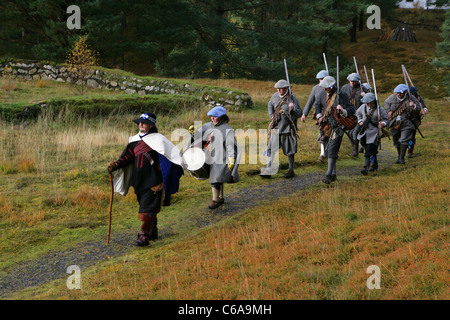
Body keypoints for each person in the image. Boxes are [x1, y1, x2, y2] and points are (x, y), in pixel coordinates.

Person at [107, 112, 184, 246]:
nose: (140, 125)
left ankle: (144, 236)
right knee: (148, 207)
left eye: (144, 123)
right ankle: (152, 230)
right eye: (139, 123)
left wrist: (163, 171)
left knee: (146, 210)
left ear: (151, 125)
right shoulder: (134, 140)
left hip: (154, 180)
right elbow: (129, 157)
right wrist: (117, 165)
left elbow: (172, 157)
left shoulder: (159, 140)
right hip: (139, 180)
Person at [191, 105, 240, 209]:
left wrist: (231, 158)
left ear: (221, 117)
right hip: (208, 156)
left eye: (215, 116)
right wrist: (193, 134)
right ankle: (221, 197)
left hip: (221, 158)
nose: (213, 118)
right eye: (211, 116)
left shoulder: (227, 129)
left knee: (215, 178)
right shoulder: (206, 126)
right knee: (218, 178)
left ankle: (215, 200)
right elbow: (199, 138)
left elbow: (231, 145)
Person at [316, 76, 356, 184]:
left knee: (332, 149)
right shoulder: (321, 94)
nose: (325, 89)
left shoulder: (341, 95)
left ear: (332, 86)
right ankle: (333, 174)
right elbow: (317, 107)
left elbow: (351, 109)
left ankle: (328, 174)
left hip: (338, 126)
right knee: (328, 148)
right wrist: (319, 116)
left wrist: (342, 110)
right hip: (325, 126)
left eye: (327, 87)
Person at [263, 79, 302, 178]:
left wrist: (292, 109)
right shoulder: (274, 96)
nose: (279, 91)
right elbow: (269, 105)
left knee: (290, 151)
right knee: (271, 149)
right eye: (277, 89)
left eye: (281, 89)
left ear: (286, 88)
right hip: (276, 127)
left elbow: (299, 113)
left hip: (288, 129)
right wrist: (271, 115)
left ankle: (291, 170)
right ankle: (268, 170)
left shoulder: (292, 98)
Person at [384, 84, 421, 164]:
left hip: (407, 122)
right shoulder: (392, 97)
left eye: (401, 93)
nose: (399, 94)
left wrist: (413, 106)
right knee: (396, 140)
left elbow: (418, 108)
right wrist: (388, 111)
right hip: (394, 122)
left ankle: (401, 158)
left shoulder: (411, 98)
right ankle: (399, 155)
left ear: (405, 92)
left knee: (403, 139)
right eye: (397, 93)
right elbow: (386, 103)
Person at [355, 93, 388, 174]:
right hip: (364, 131)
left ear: (373, 101)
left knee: (369, 149)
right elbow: (357, 113)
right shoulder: (363, 107)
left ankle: (366, 166)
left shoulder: (379, 109)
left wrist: (382, 123)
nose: (367, 104)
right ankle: (374, 164)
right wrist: (359, 121)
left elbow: (386, 119)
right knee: (368, 148)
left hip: (374, 132)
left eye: (369, 102)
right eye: (366, 102)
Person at [301, 70, 328, 163]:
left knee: (331, 134)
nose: (321, 81)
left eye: (322, 79)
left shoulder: (334, 88)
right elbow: (310, 102)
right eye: (320, 79)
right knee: (322, 132)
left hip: (332, 114)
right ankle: (322, 153)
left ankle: (329, 151)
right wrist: (304, 114)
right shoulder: (315, 89)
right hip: (319, 114)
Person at [340, 72, 368, 157]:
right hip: (348, 114)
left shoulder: (362, 89)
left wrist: (365, 96)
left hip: (359, 115)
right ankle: (354, 148)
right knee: (349, 132)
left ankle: (357, 149)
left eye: (354, 81)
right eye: (351, 81)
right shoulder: (344, 88)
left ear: (357, 81)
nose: (352, 83)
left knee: (355, 133)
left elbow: (369, 102)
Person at [408, 86, 428, 158]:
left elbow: (424, 107)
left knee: (412, 136)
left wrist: (424, 111)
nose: (412, 95)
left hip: (415, 120)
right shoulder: (405, 98)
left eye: (413, 93)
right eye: (411, 93)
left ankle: (410, 151)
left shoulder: (419, 98)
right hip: (406, 119)